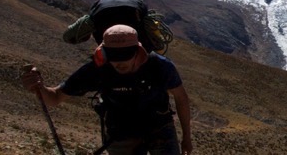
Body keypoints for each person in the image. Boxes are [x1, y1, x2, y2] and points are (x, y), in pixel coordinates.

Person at [22, 24, 193, 155]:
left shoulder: (159, 66)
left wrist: (186, 136)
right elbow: (55, 97)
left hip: (159, 127)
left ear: (139, 51)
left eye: (125, 57)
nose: (120, 63)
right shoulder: (97, 69)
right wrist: (40, 88)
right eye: (114, 57)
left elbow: (181, 98)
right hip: (121, 130)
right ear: (103, 53)